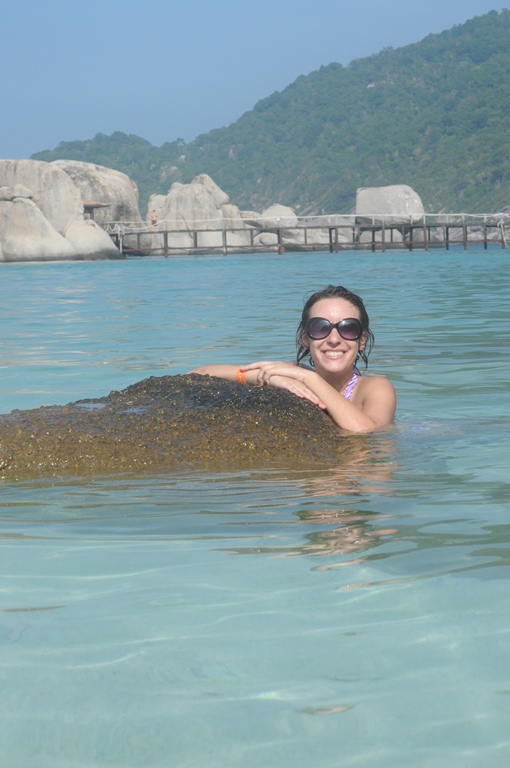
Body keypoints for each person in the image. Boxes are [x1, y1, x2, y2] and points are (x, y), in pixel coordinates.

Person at [188, 285, 396, 433]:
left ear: (362, 340)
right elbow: (197, 374)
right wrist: (266, 378)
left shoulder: (374, 387)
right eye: (320, 327)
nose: (334, 339)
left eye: (348, 328)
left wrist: (310, 380)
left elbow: (366, 431)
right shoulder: (293, 374)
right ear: (305, 338)